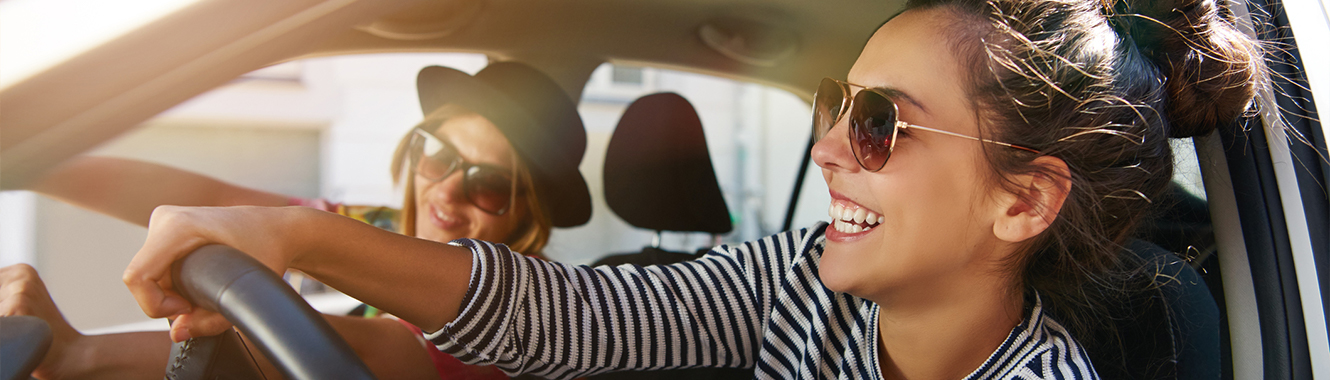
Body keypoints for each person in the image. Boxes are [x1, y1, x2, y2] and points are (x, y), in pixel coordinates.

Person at [122, 0, 1266, 377]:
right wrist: (284, 233)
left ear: (1020, 201)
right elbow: (563, 316)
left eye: (878, 124)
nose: (828, 149)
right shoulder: (795, 284)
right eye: (832, 104)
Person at [0, 62, 592, 379]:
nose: (446, 192)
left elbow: (382, 351)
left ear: (527, 216)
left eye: (489, 184)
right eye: (438, 154)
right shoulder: (379, 226)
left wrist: (80, 354)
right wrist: (41, 163)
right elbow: (213, 197)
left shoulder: (527, 308)